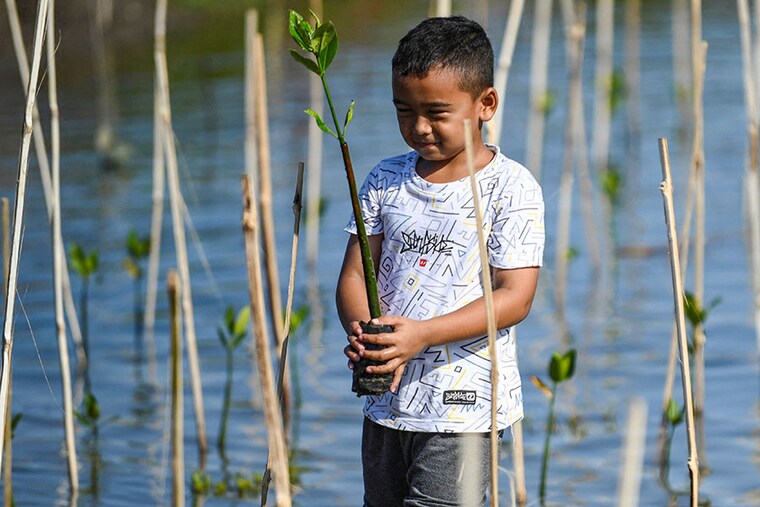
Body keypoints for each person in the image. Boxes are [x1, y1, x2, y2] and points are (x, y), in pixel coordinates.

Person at [336, 15, 545, 507]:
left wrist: (422, 335)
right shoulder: (385, 179)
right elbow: (352, 275)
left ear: (485, 104)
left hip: (464, 407)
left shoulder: (511, 188)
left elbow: (515, 299)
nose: (419, 127)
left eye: (436, 112)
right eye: (404, 111)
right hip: (386, 400)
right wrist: (364, 331)